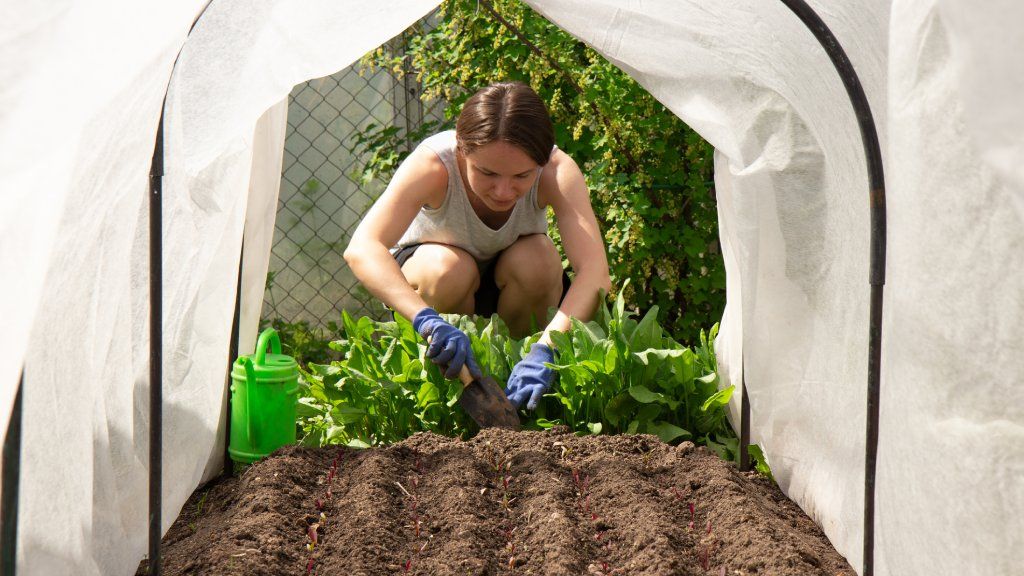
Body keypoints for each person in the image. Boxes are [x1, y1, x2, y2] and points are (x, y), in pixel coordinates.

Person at [344, 81, 610, 411]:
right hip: (437, 283)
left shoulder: (556, 171)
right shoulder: (433, 165)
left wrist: (549, 347)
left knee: (539, 260)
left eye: (521, 177)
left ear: (540, 163)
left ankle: (517, 381)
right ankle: (446, 391)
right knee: (447, 269)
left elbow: (595, 272)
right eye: (487, 173)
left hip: (508, 283)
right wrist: (426, 320)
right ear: (461, 149)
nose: (503, 190)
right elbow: (363, 248)